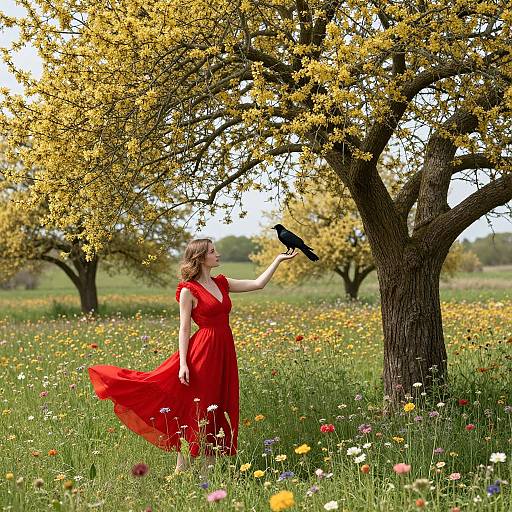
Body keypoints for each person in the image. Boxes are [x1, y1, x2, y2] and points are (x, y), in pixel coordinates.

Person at [87, 237, 297, 475]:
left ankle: (208, 474)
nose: (217, 254)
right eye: (212, 251)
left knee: (215, 408)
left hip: (224, 352)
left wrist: (278, 260)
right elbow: (184, 328)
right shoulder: (188, 290)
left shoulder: (222, 283)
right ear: (200, 258)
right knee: (198, 409)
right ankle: (181, 471)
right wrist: (183, 363)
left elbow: (258, 283)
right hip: (203, 353)